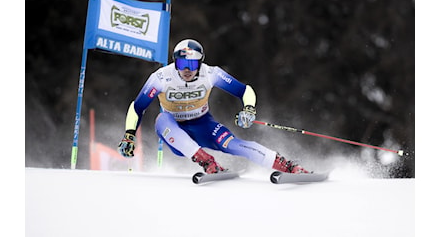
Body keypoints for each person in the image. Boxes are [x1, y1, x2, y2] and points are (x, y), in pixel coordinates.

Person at [117, 38, 309, 174]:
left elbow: (245, 90)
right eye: (182, 63)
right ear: (175, 61)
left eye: (192, 65)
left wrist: (249, 108)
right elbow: (137, 107)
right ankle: (207, 162)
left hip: (203, 125)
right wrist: (129, 135)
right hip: (174, 130)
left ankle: (289, 167)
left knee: (234, 145)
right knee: (161, 119)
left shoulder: (211, 73)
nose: (186, 70)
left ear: (200, 63)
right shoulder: (161, 77)